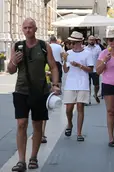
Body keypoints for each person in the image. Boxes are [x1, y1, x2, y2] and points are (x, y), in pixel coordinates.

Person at [7, 18, 60, 172]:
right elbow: (11, 70)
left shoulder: (44, 46)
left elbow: (53, 67)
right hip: (21, 91)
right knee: (21, 124)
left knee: (37, 125)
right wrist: (14, 62)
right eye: (25, 27)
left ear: (35, 29)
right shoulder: (17, 46)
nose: (28, 30)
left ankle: (33, 157)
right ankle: (21, 161)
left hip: (40, 91)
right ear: (22, 29)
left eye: (30, 27)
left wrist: (55, 85)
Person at [63, 31, 93, 141]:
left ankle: (79, 132)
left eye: (75, 42)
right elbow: (66, 70)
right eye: (72, 42)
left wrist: (79, 65)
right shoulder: (68, 53)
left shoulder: (87, 53)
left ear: (81, 42)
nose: (73, 44)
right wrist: (64, 61)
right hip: (71, 83)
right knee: (68, 109)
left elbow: (90, 69)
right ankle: (70, 124)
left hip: (83, 83)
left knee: (80, 107)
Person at [85, 35, 102, 104]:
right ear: (88, 40)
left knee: (97, 85)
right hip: (87, 69)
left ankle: (95, 94)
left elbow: (100, 58)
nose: (91, 41)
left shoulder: (98, 48)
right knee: (87, 85)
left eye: (93, 40)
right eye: (90, 39)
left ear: (95, 40)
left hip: (95, 69)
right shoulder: (85, 48)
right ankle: (87, 100)